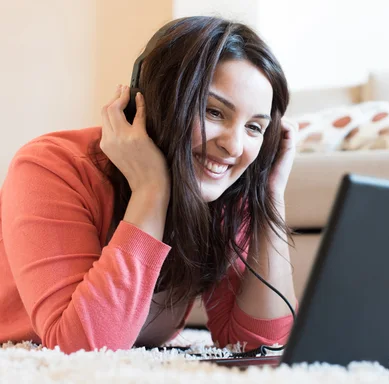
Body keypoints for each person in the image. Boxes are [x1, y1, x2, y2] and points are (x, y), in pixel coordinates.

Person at [0, 16, 298, 354]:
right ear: (157, 100)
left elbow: (262, 344)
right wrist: (151, 189)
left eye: (255, 128)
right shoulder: (50, 167)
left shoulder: (221, 186)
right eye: (214, 112)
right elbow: (83, 349)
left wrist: (270, 194)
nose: (234, 147)